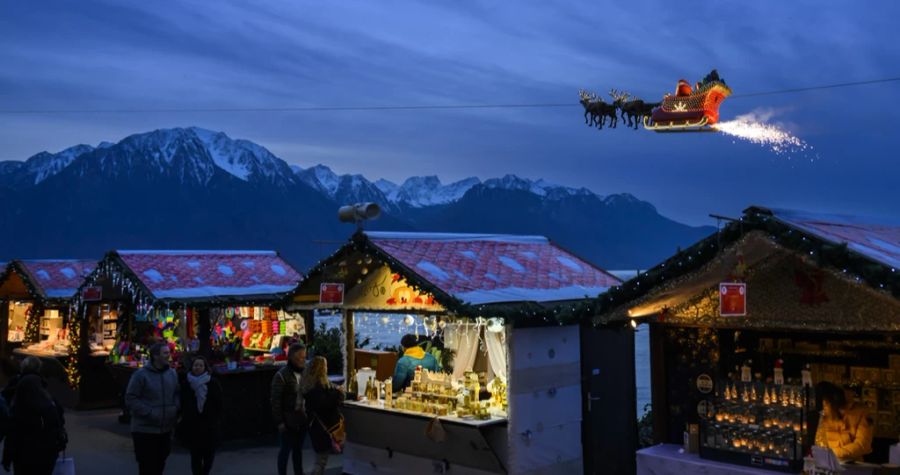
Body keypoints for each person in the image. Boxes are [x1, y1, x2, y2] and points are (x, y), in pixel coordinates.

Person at [126, 342, 180, 475]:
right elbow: (131, 398)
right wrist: (149, 412)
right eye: (165, 353)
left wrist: (175, 408)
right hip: (145, 429)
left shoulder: (172, 374)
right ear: (156, 356)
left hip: (165, 429)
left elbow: (176, 393)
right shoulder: (141, 375)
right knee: (147, 466)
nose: (169, 355)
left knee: (160, 464)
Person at [1, 374, 66, 474]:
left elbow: (12, 437)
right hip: (46, 456)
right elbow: (58, 428)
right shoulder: (49, 406)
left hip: (23, 457)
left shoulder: (18, 409)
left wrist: (7, 459)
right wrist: (58, 447)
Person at [178, 355, 223, 475]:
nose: (197, 367)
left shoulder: (212, 383)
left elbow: (219, 402)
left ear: (205, 368)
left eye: (200, 365)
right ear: (191, 367)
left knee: (209, 455)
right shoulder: (186, 383)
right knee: (195, 456)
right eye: (195, 365)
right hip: (193, 425)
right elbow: (182, 401)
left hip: (209, 425)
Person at [302, 356, 344, 475]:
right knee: (321, 461)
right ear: (322, 369)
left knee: (320, 459)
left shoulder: (308, 384)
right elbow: (325, 404)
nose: (327, 368)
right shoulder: (319, 386)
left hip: (315, 427)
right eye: (325, 366)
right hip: (324, 428)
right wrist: (338, 394)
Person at [270, 343, 308, 475]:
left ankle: (299, 472)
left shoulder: (305, 372)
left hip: (302, 418)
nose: (303, 360)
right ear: (291, 357)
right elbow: (275, 400)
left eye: (304, 357)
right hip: (288, 418)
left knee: (298, 450)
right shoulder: (281, 376)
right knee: (285, 450)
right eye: (299, 358)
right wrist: (279, 421)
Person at [814, 381, 873, 461]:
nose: (823, 411)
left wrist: (832, 454)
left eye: (825, 405)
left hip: (852, 466)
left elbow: (863, 445)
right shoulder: (822, 414)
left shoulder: (861, 412)